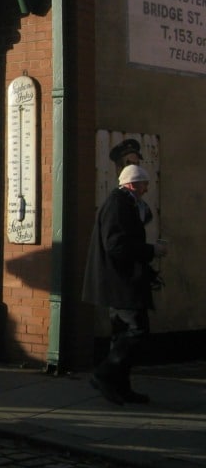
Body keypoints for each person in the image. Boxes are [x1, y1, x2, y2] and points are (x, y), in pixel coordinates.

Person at [82, 164, 168, 405]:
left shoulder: (123, 203)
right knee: (136, 331)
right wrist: (152, 250)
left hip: (119, 281)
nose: (146, 188)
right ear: (132, 184)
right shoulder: (118, 204)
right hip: (121, 283)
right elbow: (116, 245)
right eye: (143, 184)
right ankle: (104, 374)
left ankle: (121, 387)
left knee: (121, 335)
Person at [109, 137, 152, 224]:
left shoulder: (142, 207)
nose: (135, 170)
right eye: (130, 165)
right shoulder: (114, 203)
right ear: (119, 169)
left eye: (137, 165)